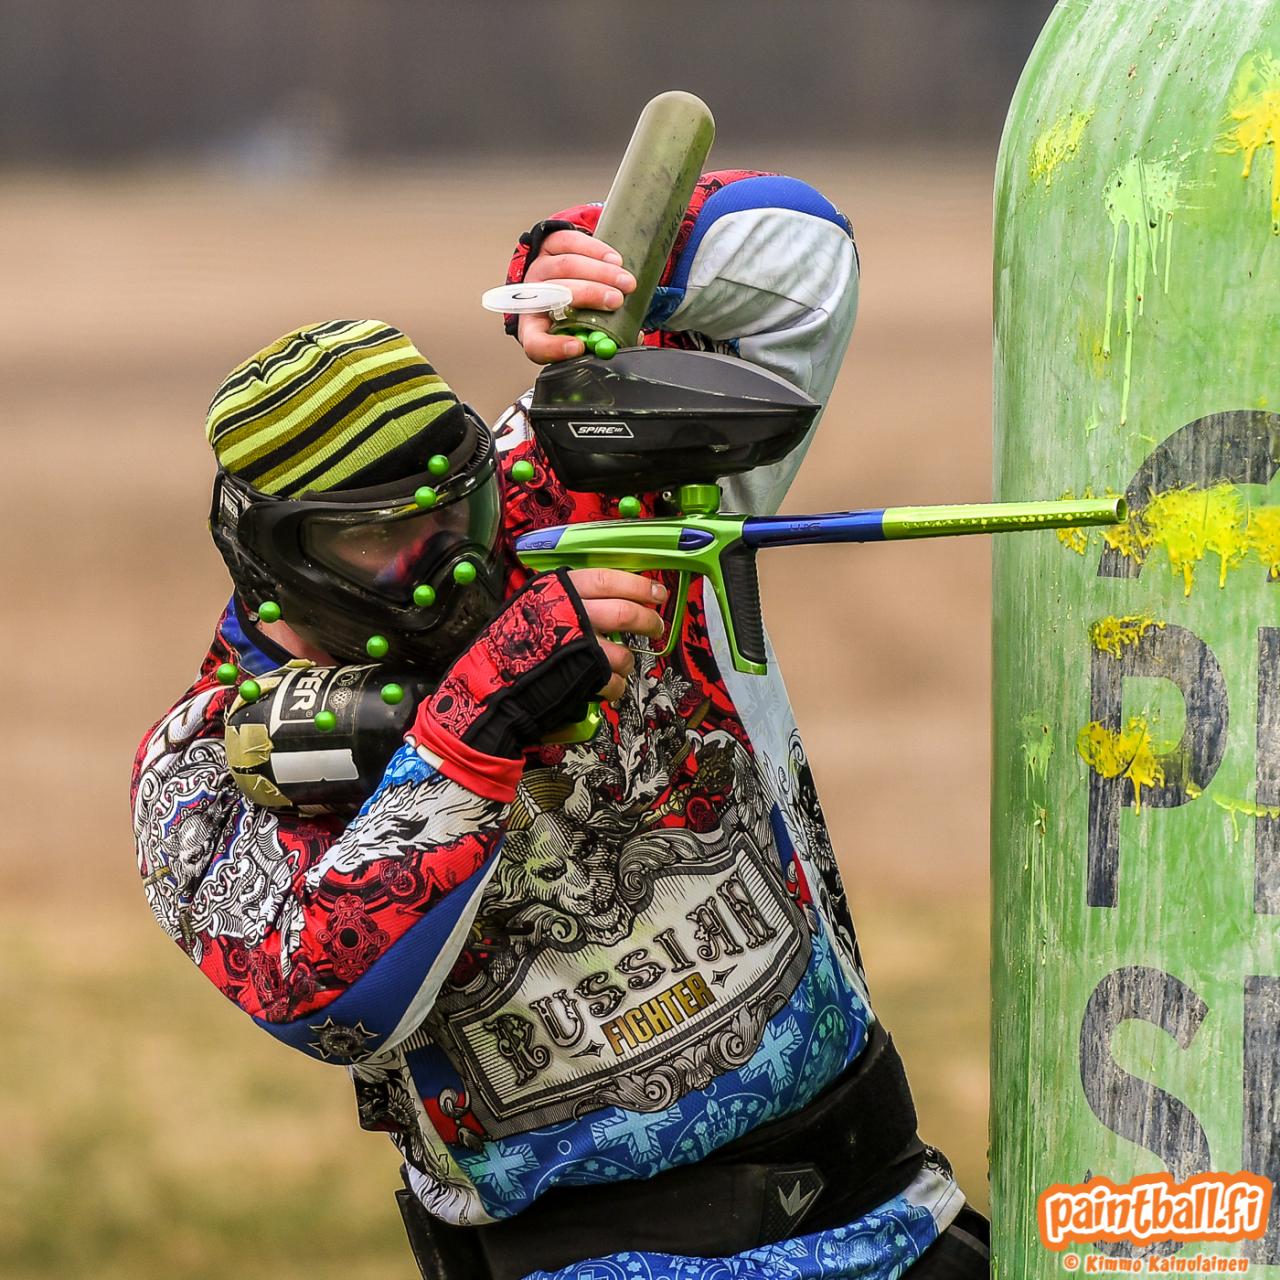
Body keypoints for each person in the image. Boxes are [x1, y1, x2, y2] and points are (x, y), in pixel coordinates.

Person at [131, 170, 990, 1279]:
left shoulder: (580, 482)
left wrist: (601, 266)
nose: (449, 558)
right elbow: (324, 994)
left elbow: (803, 259)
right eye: (379, 539)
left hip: (892, 1224)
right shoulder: (202, 761)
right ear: (271, 552)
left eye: (459, 503)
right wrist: (483, 721)